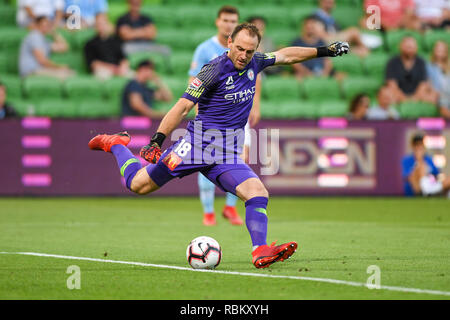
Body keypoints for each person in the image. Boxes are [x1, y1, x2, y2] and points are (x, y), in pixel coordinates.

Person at [88, 23, 349, 268]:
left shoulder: (255, 63)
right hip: (195, 147)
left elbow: (286, 56)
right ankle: (117, 145)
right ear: (229, 42)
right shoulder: (213, 70)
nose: (244, 55)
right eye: (239, 49)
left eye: (250, 51)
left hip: (226, 154)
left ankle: (260, 251)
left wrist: (325, 50)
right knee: (138, 185)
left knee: (258, 192)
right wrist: (157, 139)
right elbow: (183, 106)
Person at [188, 6, 258, 226]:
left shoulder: (246, 51)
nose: (229, 24)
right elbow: (194, 80)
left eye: (233, 21)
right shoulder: (204, 49)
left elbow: (256, 76)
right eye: (226, 20)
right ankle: (208, 211)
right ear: (218, 22)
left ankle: (230, 208)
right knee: (206, 160)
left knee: (241, 160)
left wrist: (256, 105)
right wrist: (197, 107)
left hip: (238, 116)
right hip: (212, 116)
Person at [385, 36, 439, 105]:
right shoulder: (392, 62)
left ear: (416, 48)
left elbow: (423, 84)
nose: (409, 50)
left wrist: (415, 98)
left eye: (412, 47)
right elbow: (392, 84)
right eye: (407, 47)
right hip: (397, 95)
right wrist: (403, 98)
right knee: (387, 95)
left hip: (418, 95)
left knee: (433, 96)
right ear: (400, 46)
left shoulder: (421, 62)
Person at [84, 14, 132, 80]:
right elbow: (93, 64)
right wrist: (111, 68)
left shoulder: (116, 41)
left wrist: (122, 67)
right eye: (99, 24)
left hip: (118, 68)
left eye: (103, 23)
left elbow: (123, 58)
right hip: (103, 70)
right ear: (95, 26)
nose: (101, 26)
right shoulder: (89, 44)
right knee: (102, 75)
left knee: (132, 76)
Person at [426, 41, 450, 119]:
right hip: (439, 93)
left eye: (442, 50)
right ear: (434, 51)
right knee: (443, 103)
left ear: (446, 52)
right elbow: (428, 83)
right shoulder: (429, 66)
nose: (440, 52)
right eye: (438, 50)